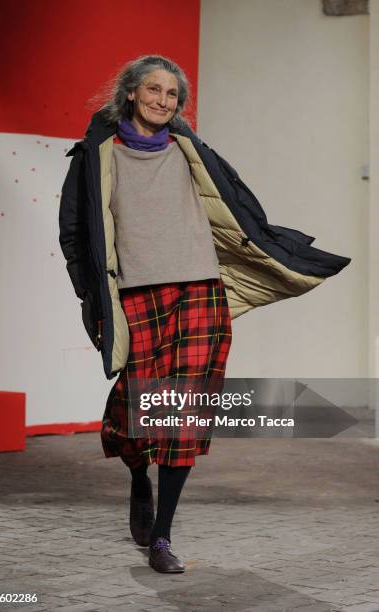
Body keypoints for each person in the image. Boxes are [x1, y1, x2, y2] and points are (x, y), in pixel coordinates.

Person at [59, 54, 351, 574]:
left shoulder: (193, 152)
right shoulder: (93, 157)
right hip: (137, 298)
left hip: (200, 294)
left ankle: (163, 538)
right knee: (136, 409)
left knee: (184, 415)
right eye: (153, 90)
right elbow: (76, 237)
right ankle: (136, 478)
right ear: (130, 93)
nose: (163, 101)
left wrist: (277, 247)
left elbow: (239, 206)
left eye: (172, 95)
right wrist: (92, 302)